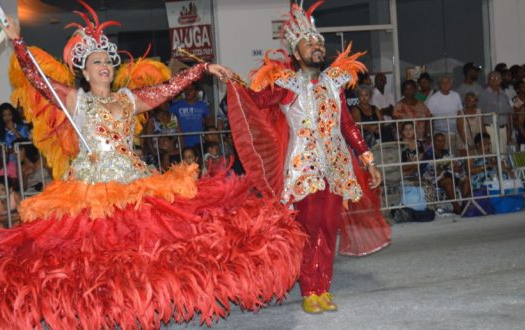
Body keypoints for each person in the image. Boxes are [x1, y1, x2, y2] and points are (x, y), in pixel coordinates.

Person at [0, 6, 305, 329]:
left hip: (134, 181)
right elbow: (38, 80)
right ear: (84, 72)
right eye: (96, 62)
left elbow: (167, 89)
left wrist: (202, 69)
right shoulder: (75, 99)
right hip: (88, 188)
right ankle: (103, 310)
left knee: (147, 250)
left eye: (107, 61)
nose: (104, 66)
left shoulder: (128, 98)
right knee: (94, 258)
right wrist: (18, 42)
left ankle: (142, 307)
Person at [227, 2, 390, 314]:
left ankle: (323, 288)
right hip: (305, 168)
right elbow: (256, 100)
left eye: (319, 43)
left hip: (336, 166)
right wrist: (232, 81)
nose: (317, 47)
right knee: (309, 229)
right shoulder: (287, 85)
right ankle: (308, 290)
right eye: (309, 44)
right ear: (297, 54)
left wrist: (368, 160)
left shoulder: (335, 83)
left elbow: (348, 125)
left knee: (329, 227)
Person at [426, 75, 463, 154]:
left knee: (455, 157)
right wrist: (429, 134)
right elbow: (429, 118)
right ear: (439, 84)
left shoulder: (456, 95)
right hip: (440, 133)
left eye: (448, 82)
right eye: (443, 83)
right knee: (442, 157)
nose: (445, 85)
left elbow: (460, 113)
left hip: (455, 132)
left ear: (451, 84)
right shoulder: (433, 98)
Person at [169, 84, 211, 148]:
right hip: (181, 142)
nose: (187, 92)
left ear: (196, 92)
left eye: (191, 90)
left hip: (199, 141)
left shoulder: (203, 105)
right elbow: (169, 120)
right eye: (186, 89)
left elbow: (209, 120)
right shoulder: (176, 105)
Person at [479, 71, 511, 154]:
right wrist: (483, 130)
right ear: (488, 81)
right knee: (493, 153)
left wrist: (509, 129)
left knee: (503, 153)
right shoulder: (483, 94)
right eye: (491, 78)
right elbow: (479, 112)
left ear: (500, 80)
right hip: (490, 128)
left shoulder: (504, 94)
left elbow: (508, 112)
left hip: (503, 128)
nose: (494, 80)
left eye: (497, 78)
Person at [393, 80, 432, 144]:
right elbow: (396, 125)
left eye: (411, 88)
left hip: (420, 140)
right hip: (405, 141)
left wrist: (428, 135)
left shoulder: (421, 105)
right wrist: (400, 139)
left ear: (415, 90)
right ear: (403, 91)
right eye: (406, 89)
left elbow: (428, 120)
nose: (409, 91)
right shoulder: (399, 106)